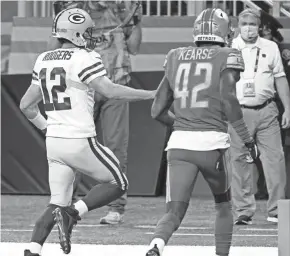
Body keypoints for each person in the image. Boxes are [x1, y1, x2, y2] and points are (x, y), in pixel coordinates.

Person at [20, 8, 154, 256]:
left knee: (56, 202)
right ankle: (73, 214)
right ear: (78, 32)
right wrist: (151, 94)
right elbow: (111, 91)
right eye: (88, 31)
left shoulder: (43, 59)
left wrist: (47, 127)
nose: (91, 36)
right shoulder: (84, 57)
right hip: (78, 139)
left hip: (54, 142)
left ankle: (32, 249)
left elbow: (26, 105)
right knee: (118, 182)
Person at [145, 8, 258, 256]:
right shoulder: (228, 54)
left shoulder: (175, 56)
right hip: (212, 145)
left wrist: (183, 125)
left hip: (179, 145)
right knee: (224, 205)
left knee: (173, 211)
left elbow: (156, 110)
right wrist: (246, 138)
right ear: (224, 31)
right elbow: (229, 99)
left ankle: (156, 244)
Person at [53, 0, 143, 225]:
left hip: (116, 83)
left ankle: (116, 207)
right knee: (75, 146)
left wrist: (137, 21)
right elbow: (56, 48)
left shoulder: (125, 7)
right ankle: (65, 204)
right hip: (81, 88)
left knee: (116, 148)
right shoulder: (73, 8)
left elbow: (134, 47)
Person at [230, 8, 290, 225]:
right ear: (238, 26)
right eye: (244, 24)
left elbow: (280, 78)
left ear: (259, 26)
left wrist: (288, 108)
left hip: (267, 110)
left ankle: (276, 210)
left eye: (252, 24)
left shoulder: (271, 47)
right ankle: (243, 211)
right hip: (238, 112)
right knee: (239, 161)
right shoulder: (229, 47)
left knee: (275, 160)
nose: (248, 28)